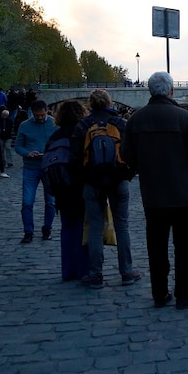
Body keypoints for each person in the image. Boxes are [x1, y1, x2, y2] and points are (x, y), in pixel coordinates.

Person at [121, 72, 188, 309]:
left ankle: (159, 293)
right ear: (171, 91)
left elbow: (126, 155)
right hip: (183, 193)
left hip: (153, 193)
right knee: (184, 246)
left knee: (157, 245)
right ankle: (184, 293)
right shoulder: (185, 118)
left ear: (150, 91)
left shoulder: (136, 120)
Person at [71, 89, 141, 289]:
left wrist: (85, 178)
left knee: (94, 227)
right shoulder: (121, 124)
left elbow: (75, 158)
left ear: (90, 105)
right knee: (122, 226)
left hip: (91, 182)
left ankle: (95, 274)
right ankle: (127, 272)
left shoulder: (83, 125)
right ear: (110, 103)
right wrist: (127, 175)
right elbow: (133, 153)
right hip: (118, 180)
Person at [46, 100, 89, 281]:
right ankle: (83, 269)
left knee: (66, 228)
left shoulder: (54, 137)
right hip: (80, 186)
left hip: (61, 188)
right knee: (82, 228)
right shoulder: (82, 133)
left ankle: (67, 270)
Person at [14, 99, 57, 243]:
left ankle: (47, 228)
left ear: (46, 111)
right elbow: (18, 146)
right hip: (30, 167)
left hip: (49, 167)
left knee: (50, 201)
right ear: (32, 113)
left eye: (42, 115)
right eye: (37, 115)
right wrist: (27, 153)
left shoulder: (54, 123)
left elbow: (60, 144)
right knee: (27, 201)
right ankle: (28, 231)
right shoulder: (24, 126)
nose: (39, 118)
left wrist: (52, 154)